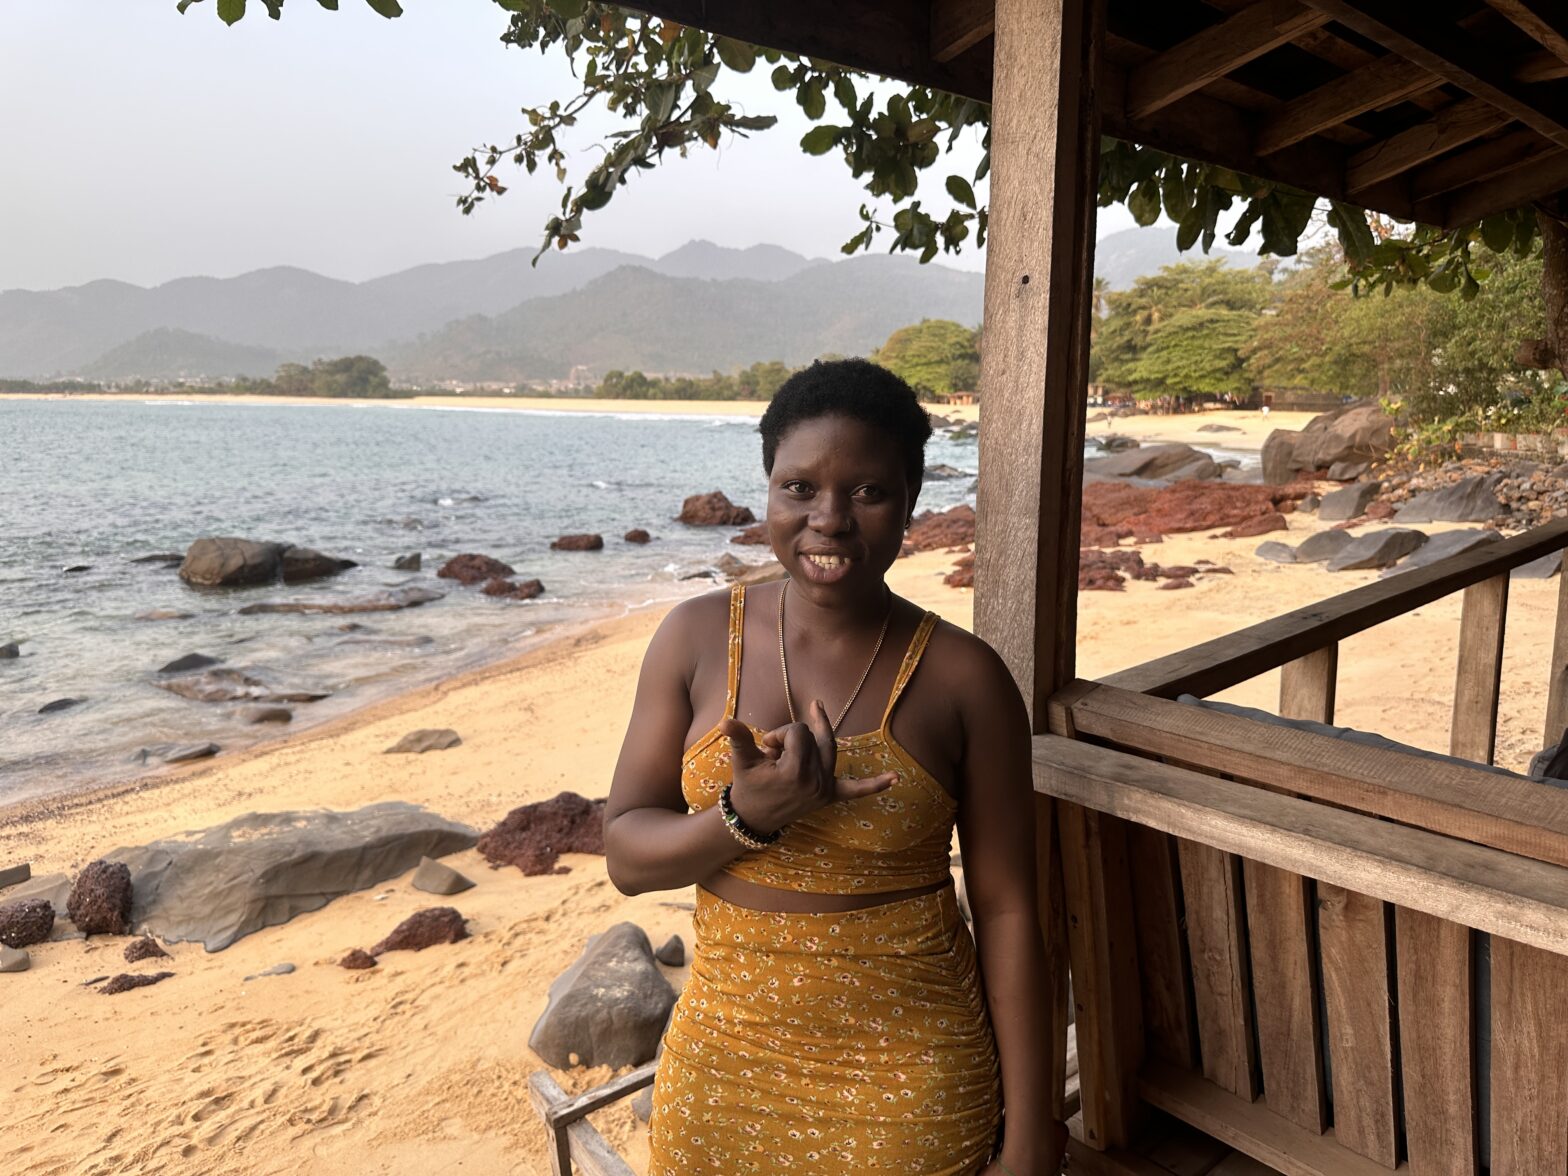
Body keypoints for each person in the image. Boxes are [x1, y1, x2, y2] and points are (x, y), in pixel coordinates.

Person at [604, 358, 1065, 1175]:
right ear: (768, 489)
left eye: (867, 492)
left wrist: (1033, 1139)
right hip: (722, 1068)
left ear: (910, 506)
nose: (829, 520)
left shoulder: (966, 679)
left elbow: (1008, 912)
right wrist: (747, 816)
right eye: (800, 489)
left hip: (909, 1075)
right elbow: (627, 856)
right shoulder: (696, 637)